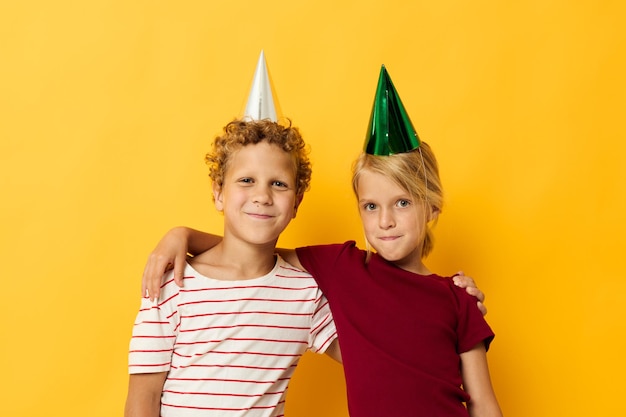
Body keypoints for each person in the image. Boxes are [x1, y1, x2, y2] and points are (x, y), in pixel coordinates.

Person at [141, 66, 502, 416]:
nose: (386, 220)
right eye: (372, 206)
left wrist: (456, 303)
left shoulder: (452, 297)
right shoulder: (340, 268)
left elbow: (474, 398)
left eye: (403, 203)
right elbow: (255, 251)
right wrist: (182, 235)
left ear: (433, 208)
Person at [124, 119, 340, 417]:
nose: (262, 196)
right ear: (218, 192)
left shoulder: (305, 294)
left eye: (278, 184)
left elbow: (369, 358)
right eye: (246, 180)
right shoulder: (171, 283)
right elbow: (143, 398)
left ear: (296, 203)